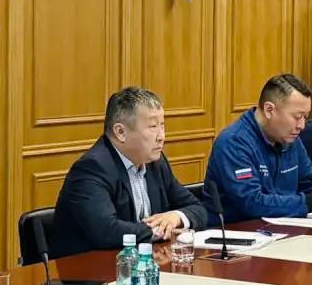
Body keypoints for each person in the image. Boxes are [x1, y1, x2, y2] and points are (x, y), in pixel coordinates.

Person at [51, 87, 208, 260]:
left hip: (142, 264)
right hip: (90, 269)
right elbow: (107, 231)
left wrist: (175, 217)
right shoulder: (92, 169)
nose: (161, 136)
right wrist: (160, 229)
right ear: (121, 132)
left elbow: (198, 208)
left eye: (162, 125)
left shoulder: (155, 162)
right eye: (153, 127)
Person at [205, 73, 312, 223]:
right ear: (269, 110)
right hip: (235, 230)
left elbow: (311, 185)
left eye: (305, 117)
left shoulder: (290, 138)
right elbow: (252, 203)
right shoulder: (234, 142)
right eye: (297, 117)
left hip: (282, 227)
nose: (302, 126)